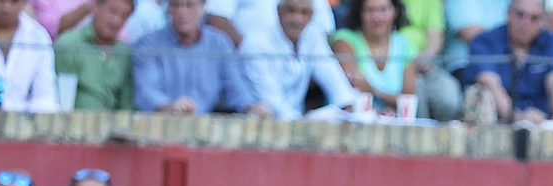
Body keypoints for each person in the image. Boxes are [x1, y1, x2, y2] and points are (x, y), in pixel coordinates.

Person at [133, 0, 270, 113]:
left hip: (205, 128)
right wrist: (168, 107)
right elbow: (146, 91)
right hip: (159, 125)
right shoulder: (148, 44)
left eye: (189, 5)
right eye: (176, 5)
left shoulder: (219, 43)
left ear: (203, 8)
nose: (182, 12)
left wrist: (251, 107)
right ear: (168, 9)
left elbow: (235, 87)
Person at [459, 0, 553, 123]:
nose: (525, 22)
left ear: (543, 22)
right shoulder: (484, 41)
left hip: (542, 119)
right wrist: (517, 117)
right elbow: (490, 83)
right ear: (508, 14)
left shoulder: (548, 40)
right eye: (520, 15)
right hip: (497, 123)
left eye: (534, 18)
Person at [245, 0, 356, 118]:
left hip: (296, 121)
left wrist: (348, 106)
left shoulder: (313, 36)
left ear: (312, 15)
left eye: (304, 13)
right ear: (279, 11)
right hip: (261, 120)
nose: (297, 19)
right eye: (291, 11)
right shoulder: (257, 43)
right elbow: (271, 99)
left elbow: (334, 79)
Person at [332, 0, 421, 114]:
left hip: (393, 120)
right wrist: (377, 112)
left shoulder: (405, 45)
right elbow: (353, 89)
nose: (377, 18)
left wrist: (374, 91)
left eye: (383, 10)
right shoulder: (344, 40)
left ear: (395, 12)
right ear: (360, 13)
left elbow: (408, 101)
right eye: (370, 10)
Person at [54, 0, 136, 109]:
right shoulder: (69, 44)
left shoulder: (125, 53)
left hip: (115, 124)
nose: (117, 21)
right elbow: (62, 101)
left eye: (124, 16)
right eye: (112, 11)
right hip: (74, 123)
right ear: (96, 6)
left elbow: (127, 105)